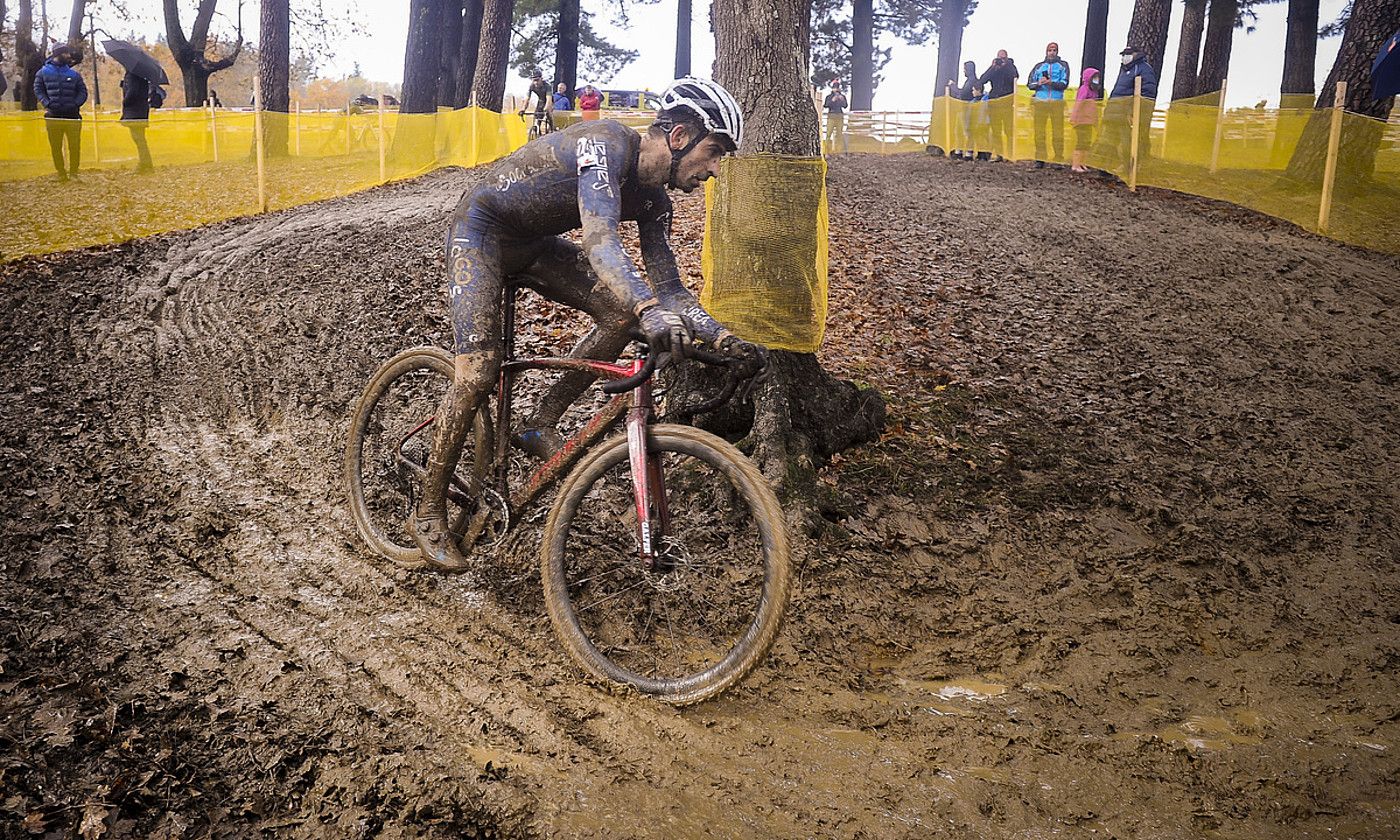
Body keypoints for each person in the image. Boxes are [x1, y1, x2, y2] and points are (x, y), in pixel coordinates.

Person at [410, 77, 765, 571]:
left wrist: (725, 338)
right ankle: (427, 511)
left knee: (621, 316)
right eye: (714, 152)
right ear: (680, 136)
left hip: (533, 244)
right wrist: (650, 311)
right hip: (481, 233)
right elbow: (601, 243)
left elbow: (673, 292)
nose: (714, 170)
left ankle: (540, 421)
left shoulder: (654, 199)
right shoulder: (606, 145)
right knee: (477, 371)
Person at [33, 45, 87, 181]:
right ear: (59, 54)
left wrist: (75, 104)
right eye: (66, 53)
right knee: (55, 146)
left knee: (74, 146)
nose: (69, 56)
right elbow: (38, 89)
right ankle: (61, 173)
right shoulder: (43, 72)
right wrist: (47, 103)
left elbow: (83, 92)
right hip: (53, 115)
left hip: (73, 116)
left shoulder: (74, 74)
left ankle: (74, 173)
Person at [1102, 46, 1159, 171]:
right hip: (1115, 112)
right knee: (1110, 140)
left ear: (1136, 54)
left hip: (1128, 114)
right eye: (1123, 54)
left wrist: (1134, 112)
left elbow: (1147, 93)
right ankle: (1107, 167)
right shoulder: (1124, 70)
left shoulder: (1143, 69)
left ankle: (1131, 167)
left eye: (1128, 54)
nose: (1124, 57)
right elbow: (1117, 91)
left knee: (1128, 142)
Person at [1027, 41, 1071, 167]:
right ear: (1046, 52)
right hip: (1040, 102)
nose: (1052, 52)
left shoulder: (1063, 65)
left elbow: (1065, 83)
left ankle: (1058, 159)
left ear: (1057, 52)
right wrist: (1039, 84)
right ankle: (1040, 159)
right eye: (1050, 50)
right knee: (1039, 132)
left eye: (1054, 50)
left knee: (1058, 132)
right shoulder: (1039, 66)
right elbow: (1030, 84)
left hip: (1057, 103)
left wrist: (1051, 83)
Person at [120, 69, 165, 173]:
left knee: (138, 139)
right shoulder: (142, 75)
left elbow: (132, 92)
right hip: (141, 110)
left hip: (134, 111)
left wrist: (125, 101)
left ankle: (146, 164)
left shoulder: (132, 75)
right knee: (140, 139)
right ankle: (145, 163)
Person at [978, 49, 1018, 160]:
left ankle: (1009, 154)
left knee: (1008, 130)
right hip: (994, 101)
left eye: (1003, 58)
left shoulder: (1011, 68)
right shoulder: (994, 70)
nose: (1001, 60)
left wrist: (1006, 65)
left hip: (1006, 102)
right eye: (999, 58)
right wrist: (992, 67)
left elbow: (1015, 77)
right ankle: (999, 154)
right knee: (996, 130)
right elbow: (982, 80)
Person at [1069, 67, 1102, 173]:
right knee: (1081, 142)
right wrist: (1074, 116)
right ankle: (1075, 164)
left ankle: (1082, 163)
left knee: (1086, 142)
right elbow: (1079, 103)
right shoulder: (1084, 89)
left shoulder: (1094, 91)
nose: (1096, 79)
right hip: (1081, 121)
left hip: (1089, 121)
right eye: (1094, 77)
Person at [952, 61, 983, 161]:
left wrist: (953, 87)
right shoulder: (971, 81)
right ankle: (961, 151)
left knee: (967, 131)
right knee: (961, 131)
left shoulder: (971, 81)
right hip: (965, 109)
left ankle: (967, 152)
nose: (963, 71)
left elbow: (963, 94)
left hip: (967, 110)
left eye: (964, 69)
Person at [521, 68, 554, 132]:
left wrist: (547, 108)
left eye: (537, 80)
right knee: (537, 117)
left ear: (541, 79)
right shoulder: (531, 86)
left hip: (548, 101)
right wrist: (523, 109)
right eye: (534, 80)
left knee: (548, 112)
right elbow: (527, 99)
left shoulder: (547, 86)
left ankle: (552, 128)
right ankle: (537, 129)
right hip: (541, 101)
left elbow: (549, 99)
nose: (535, 82)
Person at [822, 79, 848, 155]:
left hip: (839, 116)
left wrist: (842, 100)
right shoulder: (829, 97)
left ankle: (839, 152)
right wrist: (833, 100)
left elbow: (845, 106)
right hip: (831, 116)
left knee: (839, 134)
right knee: (828, 134)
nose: (836, 89)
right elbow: (826, 105)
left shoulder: (842, 96)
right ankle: (826, 152)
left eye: (837, 87)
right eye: (834, 87)